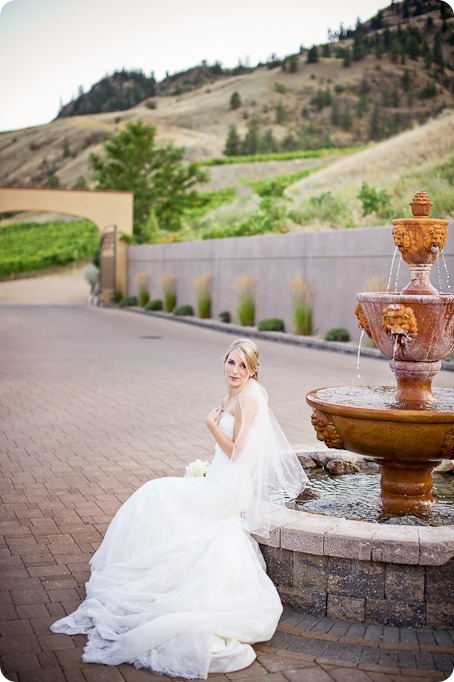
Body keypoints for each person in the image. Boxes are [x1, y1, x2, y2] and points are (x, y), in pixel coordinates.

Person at [51, 338, 308, 679]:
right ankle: (148, 563)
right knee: (157, 494)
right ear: (224, 363)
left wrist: (211, 425)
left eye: (243, 366)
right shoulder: (236, 395)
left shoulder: (249, 401)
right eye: (231, 363)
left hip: (227, 489)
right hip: (219, 480)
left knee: (155, 492)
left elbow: (238, 452)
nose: (235, 370)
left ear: (253, 370)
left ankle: (146, 571)